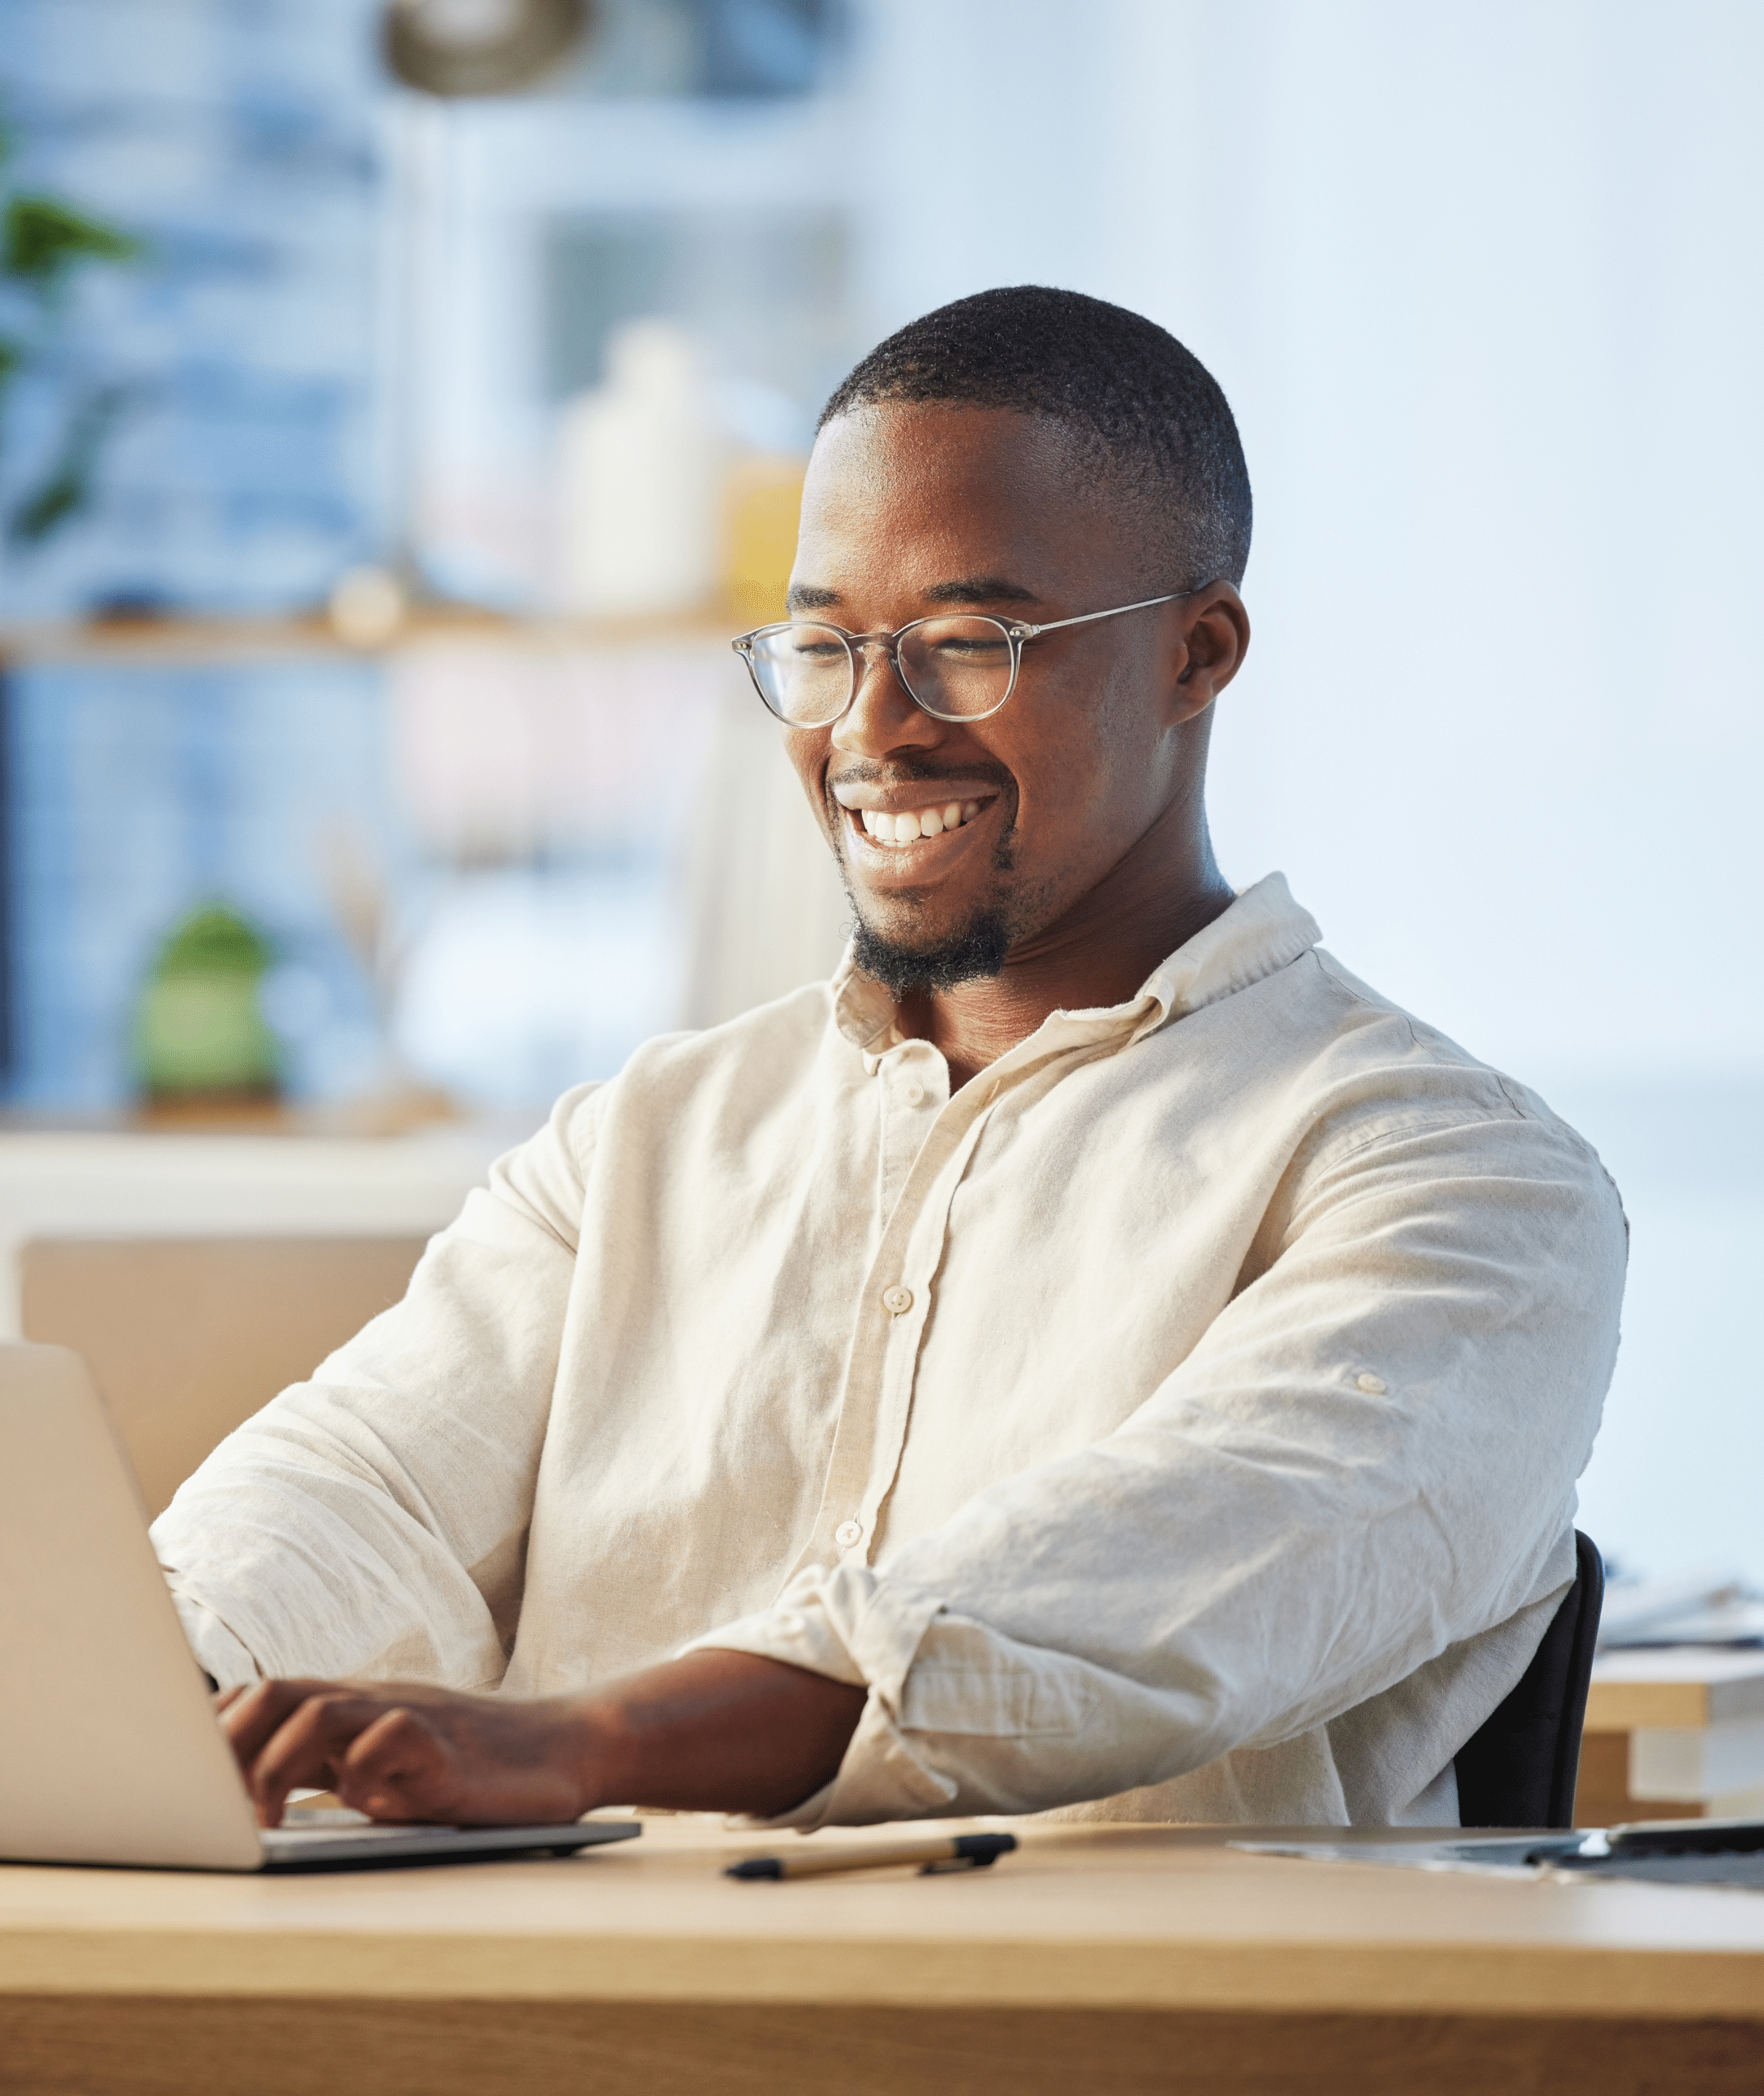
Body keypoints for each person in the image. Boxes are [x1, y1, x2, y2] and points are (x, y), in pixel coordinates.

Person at [154, 286, 1626, 1833]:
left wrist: (584, 1745)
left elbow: (1160, 1571)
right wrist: (151, 1673)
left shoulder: (1465, 1186)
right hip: (581, 2016)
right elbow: (362, 1490)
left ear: (1198, 654)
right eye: (824, 643)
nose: (873, 729)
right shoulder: (648, 1135)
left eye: (969, 644)